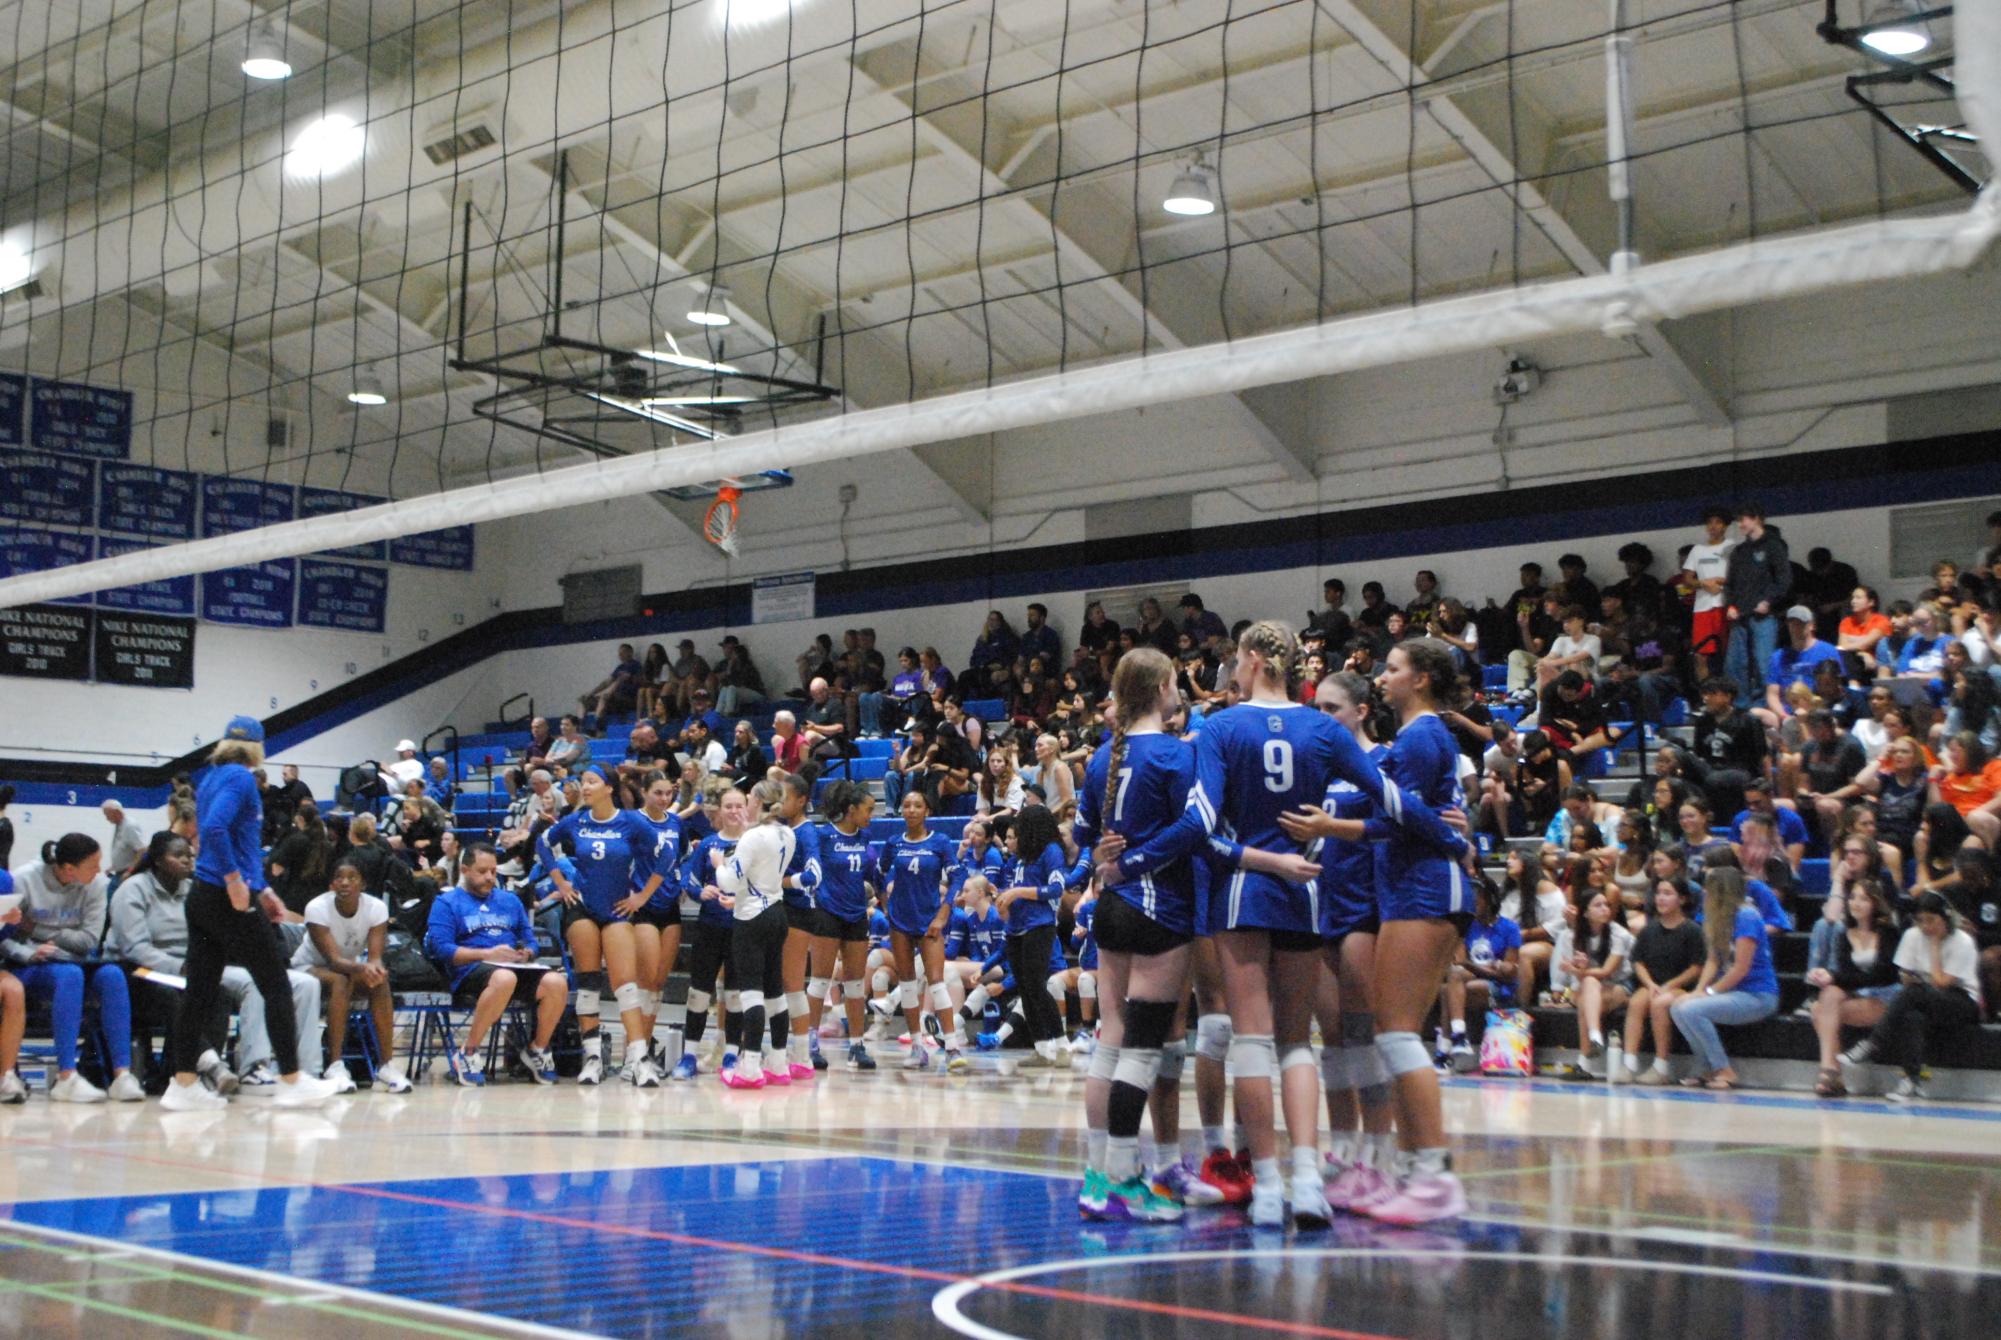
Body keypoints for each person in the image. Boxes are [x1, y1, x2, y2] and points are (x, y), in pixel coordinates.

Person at [1105, 624, 1470, 1228]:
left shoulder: (1220, 728)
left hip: (1245, 890)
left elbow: (1202, 822)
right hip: (1304, 889)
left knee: (1249, 1038)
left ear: (1251, 660)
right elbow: (1388, 796)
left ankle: (1267, 1186)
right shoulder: (1323, 728)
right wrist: (1449, 835)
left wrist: (1133, 862)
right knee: (1299, 1042)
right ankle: (1309, 1181)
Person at [161, 719, 337, 1111]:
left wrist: (264, 889)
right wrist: (236, 881)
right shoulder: (241, 779)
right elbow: (216, 828)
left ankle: (183, 1084)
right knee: (275, 983)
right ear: (259, 747)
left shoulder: (212, 777)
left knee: (200, 991)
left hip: (205, 897)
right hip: (227, 897)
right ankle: (291, 1079)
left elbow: (229, 838)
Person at [111, 832, 320, 1096]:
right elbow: (135, 948)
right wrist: (177, 967)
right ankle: (226, 1066)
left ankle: (274, 1069)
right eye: (178, 856)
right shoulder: (132, 890)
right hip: (142, 971)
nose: (187, 861)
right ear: (158, 861)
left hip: (191, 964)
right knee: (198, 992)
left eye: (190, 855)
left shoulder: (193, 889)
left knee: (251, 984)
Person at [537, 763, 666, 1086]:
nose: (585, 787)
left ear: (609, 787)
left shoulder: (631, 821)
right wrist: (561, 883)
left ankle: (639, 1058)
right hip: (582, 909)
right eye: (583, 782)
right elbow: (543, 843)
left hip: (618, 909)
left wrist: (642, 896)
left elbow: (665, 854)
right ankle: (592, 1058)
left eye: (591, 782)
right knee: (589, 983)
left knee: (626, 985)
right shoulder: (576, 820)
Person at [6, 834, 143, 1103]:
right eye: (92, 865)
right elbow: (5, 934)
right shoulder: (23, 880)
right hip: (30, 965)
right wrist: (28, 952)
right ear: (69, 869)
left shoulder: (98, 886)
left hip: (74, 960)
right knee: (70, 976)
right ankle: (66, 1076)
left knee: (112, 975)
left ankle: (121, 1075)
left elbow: (88, 941)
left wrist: (37, 929)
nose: (99, 870)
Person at [426, 844, 567, 1086]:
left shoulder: (510, 901)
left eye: (493, 871)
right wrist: (486, 954)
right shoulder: (447, 902)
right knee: (504, 978)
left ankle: (537, 1049)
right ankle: (468, 1052)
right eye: (482, 871)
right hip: (469, 972)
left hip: (514, 968)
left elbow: (530, 939)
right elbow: (441, 949)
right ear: (465, 870)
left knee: (556, 982)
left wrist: (527, 952)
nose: (490, 877)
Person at [1842, 891, 1984, 1101]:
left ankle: (1873, 1043)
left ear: (1946, 917)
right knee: (1911, 1016)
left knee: (1915, 993)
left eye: (1931, 920)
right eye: (1921, 921)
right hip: (1923, 997)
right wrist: (1909, 978)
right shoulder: (1912, 935)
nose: (1926, 927)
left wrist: (1935, 945)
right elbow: (1904, 976)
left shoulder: (1962, 941)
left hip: (1961, 1001)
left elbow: (1941, 983)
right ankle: (1911, 1080)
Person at [293, 858, 413, 1094]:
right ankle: (335, 1065)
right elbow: (334, 961)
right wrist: (363, 968)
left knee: (379, 982)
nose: (345, 882)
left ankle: (386, 1065)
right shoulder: (316, 908)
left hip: (349, 968)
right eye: (339, 877)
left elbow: (375, 956)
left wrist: (376, 969)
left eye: (352, 877)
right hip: (307, 968)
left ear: (363, 884)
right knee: (341, 979)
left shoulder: (376, 908)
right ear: (331, 884)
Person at [877, 790, 971, 1072]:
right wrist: (885, 904)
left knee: (936, 982)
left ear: (927, 811)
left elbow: (959, 876)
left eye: (918, 805)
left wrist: (944, 913)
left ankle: (952, 1046)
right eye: (906, 805)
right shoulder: (893, 843)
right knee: (906, 984)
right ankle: (917, 1046)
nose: (911, 810)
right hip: (900, 920)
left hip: (930, 918)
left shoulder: (940, 841)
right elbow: (879, 873)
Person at [713, 781, 799, 1089]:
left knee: (751, 992)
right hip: (778, 914)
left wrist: (719, 863)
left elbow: (727, 882)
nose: (746, 804)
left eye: (749, 799)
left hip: (751, 918)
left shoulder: (752, 837)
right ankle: (778, 1063)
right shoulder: (787, 833)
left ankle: (749, 1066)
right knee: (775, 991)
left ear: (759, 801)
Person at [1667, 867, 1780, 1090]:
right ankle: (1705, 1067)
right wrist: (1698, 990)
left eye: (1709, 887)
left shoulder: (1747, 916)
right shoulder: (1714, 917)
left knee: (1692, 1010)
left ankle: (1724, 1069)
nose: (1705, 892)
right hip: (1730, 992)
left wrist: (1709, 993)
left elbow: (1740, 969)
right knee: (1678, 1006)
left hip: (1757, 994)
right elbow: (1713, 961)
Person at [674, 786, 751, 1081]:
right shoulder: (708, 845)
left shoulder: (753, 843)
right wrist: (699, 891)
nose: (733, 811)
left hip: (742, 930)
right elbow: (690, 879)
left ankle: (732, 1053)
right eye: (728, 806)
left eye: (738, 806)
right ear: (719, 811)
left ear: (747, 808)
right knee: (698, 993)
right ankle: (689, 1055)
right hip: (710, 927)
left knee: (734, 995)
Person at [807, 781, 881, 1071]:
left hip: (856, 915)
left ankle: (856, 1045)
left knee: (854, 983)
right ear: (851, 809)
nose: (871, 816)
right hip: (827, 913)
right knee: (820, 980)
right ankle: (809, 1043)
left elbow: (870, 876)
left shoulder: (865, 840)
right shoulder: (823, 836)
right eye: (868, 810)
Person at [1806, 879, 1901, 1097]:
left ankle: (1832, 1074)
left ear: (1875, 903)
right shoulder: (1844, 934)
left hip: (1887, 997)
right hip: (1860, 996)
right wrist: (1827, 977)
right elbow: (1846, 975)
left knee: (1820, 1011)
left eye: (1864, 899)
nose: (1856, 903)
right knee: (1827, 995)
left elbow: (1883, 974)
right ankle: (1830, 1070)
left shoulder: (1888, 933)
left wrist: (1835, 977)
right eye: (1853, 898)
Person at [1625, 878, 1705, 1084]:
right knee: (1636, 1003)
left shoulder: (1692, 931)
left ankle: (1661, 1066)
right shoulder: (1649, 929)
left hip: (1680, 987)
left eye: (1668, 893)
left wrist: (1670, 985)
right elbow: (1638, 961)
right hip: (1652, 984)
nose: (1661, 898)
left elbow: (1696, 968)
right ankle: (1629, 1064)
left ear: (1682, 899)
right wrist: (1650, 984)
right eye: (1659, 893)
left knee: (1659, 1005)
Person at [1440, 878, 1520, 1072]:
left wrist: (1471, 966)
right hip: (1471, 981)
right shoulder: (1467, 927)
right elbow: (1459, 964)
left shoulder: (1510, 928)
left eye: (1477, 900)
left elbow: (1508, 974)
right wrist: (1476, 967)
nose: (1473, 905)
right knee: (1446, 987)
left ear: (1491, 900)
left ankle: (1444, 1051)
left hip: (1500, 989)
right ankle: (1456, 1039)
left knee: (1456, 984)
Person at [1551, 889, 1632, 1077]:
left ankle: (1586, 1058)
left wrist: (1577, 971)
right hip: (1592, 990)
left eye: (1606, 905)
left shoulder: (1619, 934)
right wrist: (1578, 969)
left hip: (1621, 986)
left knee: (1586, 996)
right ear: (1585, 913)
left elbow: (1606, 972)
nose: (1605, 909)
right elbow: (1581, 977)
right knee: (1588, 985)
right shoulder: (1571, 937)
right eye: (1598, 905)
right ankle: (1593, 1040)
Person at [1724, 502, 1790, 707]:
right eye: (1739, 520)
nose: (1740, 524)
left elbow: (1784, 580)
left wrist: (1769, 601)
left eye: (1744, 519)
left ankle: (1767, 705)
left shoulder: (1774, 545)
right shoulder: (1739, 551)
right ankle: (1742, 706)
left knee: (1764, 664)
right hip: (1740, 616)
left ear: (1757, 519)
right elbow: (1730, 584)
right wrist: (1731, 605)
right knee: (1735, 664)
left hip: (1764, 617)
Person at [265, 800, 332, 915]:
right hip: (321, 897)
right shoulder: (327, 844)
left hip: (296, 896)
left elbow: (276, 870)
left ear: (300, 819)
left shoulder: (296, 840)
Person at [580, 642, 644, 724]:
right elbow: (606, 682)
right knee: (583, 700)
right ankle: (580, 726)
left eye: (623, 652)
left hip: (628, 699)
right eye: (619, 653)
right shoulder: (619, 668)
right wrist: (591, 693)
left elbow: (638, 682)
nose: (620, 655)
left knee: (604, 697)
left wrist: (625, 679)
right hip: (614, 698)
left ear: (630, 652)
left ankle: (598, 726)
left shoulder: (636, 666)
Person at [102, 800, 147, 878]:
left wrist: (130, 871)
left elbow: (141, 850)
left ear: (116, 812)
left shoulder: (130, 826)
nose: (106, 818)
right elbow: (124, 850)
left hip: (126, 874)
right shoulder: (119, 825)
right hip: (119, 872)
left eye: (107, 815)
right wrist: (113, 867)